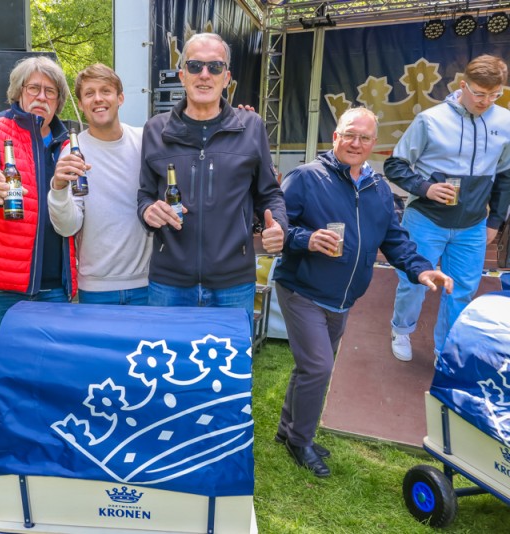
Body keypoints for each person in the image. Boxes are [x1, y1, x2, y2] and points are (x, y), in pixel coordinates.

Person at [273, 108, 453, 477]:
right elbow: (277, 231)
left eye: (365, 138)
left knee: (311, 366)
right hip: (301, 289)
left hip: (343, 297)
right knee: (319, 366)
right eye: (350, 135)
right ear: (335, 137)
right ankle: (300, 441)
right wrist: (307, 239)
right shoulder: (306, 178)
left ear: (374, 144)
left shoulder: (379, 189)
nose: (356, 143)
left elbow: (395, 240)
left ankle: (287, 429)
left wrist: (420, 270)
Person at [137, 32, 287, 321]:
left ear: (226, 77)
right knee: (168, 365)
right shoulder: (155, 129)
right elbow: (144, 194)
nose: (204, 75)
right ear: (182, 75)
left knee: (227, 366)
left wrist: (278, 224)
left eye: (214, 67)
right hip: (169, 283)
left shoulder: (251, 126)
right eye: (195, 66)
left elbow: (269, 194)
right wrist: (148, 211)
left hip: (233, 283)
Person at [386, 55, 510, 362]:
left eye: (495, 95)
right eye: (480, 94)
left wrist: (494, 220)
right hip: (426, 219)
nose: (486, 102)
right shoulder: (430, 119)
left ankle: (447, 349)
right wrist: (425, 187)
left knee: (463, 291)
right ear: (463, 85)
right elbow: (395, 165)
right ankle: (401, 329)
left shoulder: (505, 122)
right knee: (414, 282)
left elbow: (506, 175)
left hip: (472, 224)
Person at [0, 56, 76, 379]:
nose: (41, 97)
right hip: (3, 285)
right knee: (5, 380)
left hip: (55, 286)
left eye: (50, 91)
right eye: (34, 88)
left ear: (59, 100)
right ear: (18, 93)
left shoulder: (68, 143)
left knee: (53, 379)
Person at [48, 64, 151, 305]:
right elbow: (67, 227)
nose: (98, 99)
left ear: (120, 98)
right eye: (89, 93)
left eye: (105, 90)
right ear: (82, 105)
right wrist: (59, 188)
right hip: (96, 288)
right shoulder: (72, 153)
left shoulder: (146, 141)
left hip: (148, 284)